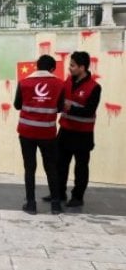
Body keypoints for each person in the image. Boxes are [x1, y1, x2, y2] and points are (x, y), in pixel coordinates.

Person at [43, 51, 102, 208]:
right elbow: (60, 100)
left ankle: (77, 197)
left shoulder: (94, 87)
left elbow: (89, 110)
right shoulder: (67, 81)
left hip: (83, 134)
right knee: (60, 164)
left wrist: (70, 108)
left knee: (81, 167)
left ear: (82, 67)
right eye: (70, 64)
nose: (69, 68)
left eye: (73, 65)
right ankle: (59, 193)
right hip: (65, 130)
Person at [14, 55, 64, 215]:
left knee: (29, 168)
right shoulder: (59, 84)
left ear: (37, 66)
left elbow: (17, 105)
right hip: (47, 133)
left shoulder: (24, 82)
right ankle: (56, 205)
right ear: (52, 69)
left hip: (26, 132)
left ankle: (31, 204)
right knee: (51, 168)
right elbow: (61, 107)